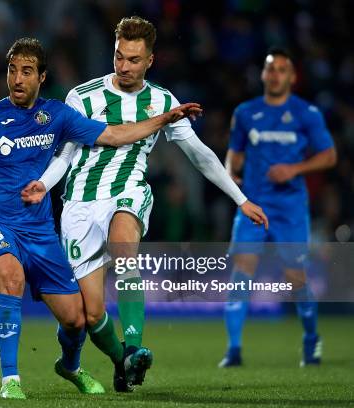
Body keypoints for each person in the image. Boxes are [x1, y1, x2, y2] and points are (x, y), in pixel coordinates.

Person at [0, 37, 201, 399]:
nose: (17, 79)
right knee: (10, 277)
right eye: (12, 70)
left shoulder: (58, 115)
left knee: (77, 319)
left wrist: (164, 119)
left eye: (27, 72)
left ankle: (70, 366)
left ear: (42, 77)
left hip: (40, 230)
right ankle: (10, 380)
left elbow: (113, 135)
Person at [20, 16, 268, 391]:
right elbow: (67, 155)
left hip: (128, 192)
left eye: (133, 60)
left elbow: (199, 154)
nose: (123, 66)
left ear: (149, 61)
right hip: (79, 205)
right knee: (91, 313)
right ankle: (124, 362)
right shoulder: (82, 96)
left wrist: (241, 199)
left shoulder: (162, 101)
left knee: (124, 251)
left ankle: (134, 346)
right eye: (119, 56)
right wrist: (43, 184)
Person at [219, 47, 337, 368]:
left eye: (282, 69)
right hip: (254, 205)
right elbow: (235, 152)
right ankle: (233, 350)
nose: (275, 75)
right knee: (241, 271)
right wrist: (231, 171)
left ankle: (311, 339)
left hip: (290, 208)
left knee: (296, 278)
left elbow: (329, 156)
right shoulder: (245, 112)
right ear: (262, 75)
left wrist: (294, 170)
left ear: (293, 77)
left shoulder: (306, 113)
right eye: (270, 69)